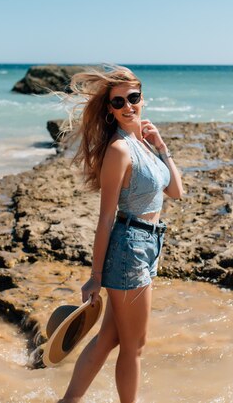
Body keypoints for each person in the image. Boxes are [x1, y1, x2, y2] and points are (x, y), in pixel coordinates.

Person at [59, 65, 183, 403]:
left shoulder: (141, 143)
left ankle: (68, 401)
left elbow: (176, 191)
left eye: (133, 97)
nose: (128, 106)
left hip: (146, 243)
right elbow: (105, 219)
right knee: (134, 346)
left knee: (109, 338)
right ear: (110, 110)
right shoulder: (119, 151)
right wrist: (95, 276)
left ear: (143, 99)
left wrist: (161, 147)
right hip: (130, 248)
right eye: (119, 102)